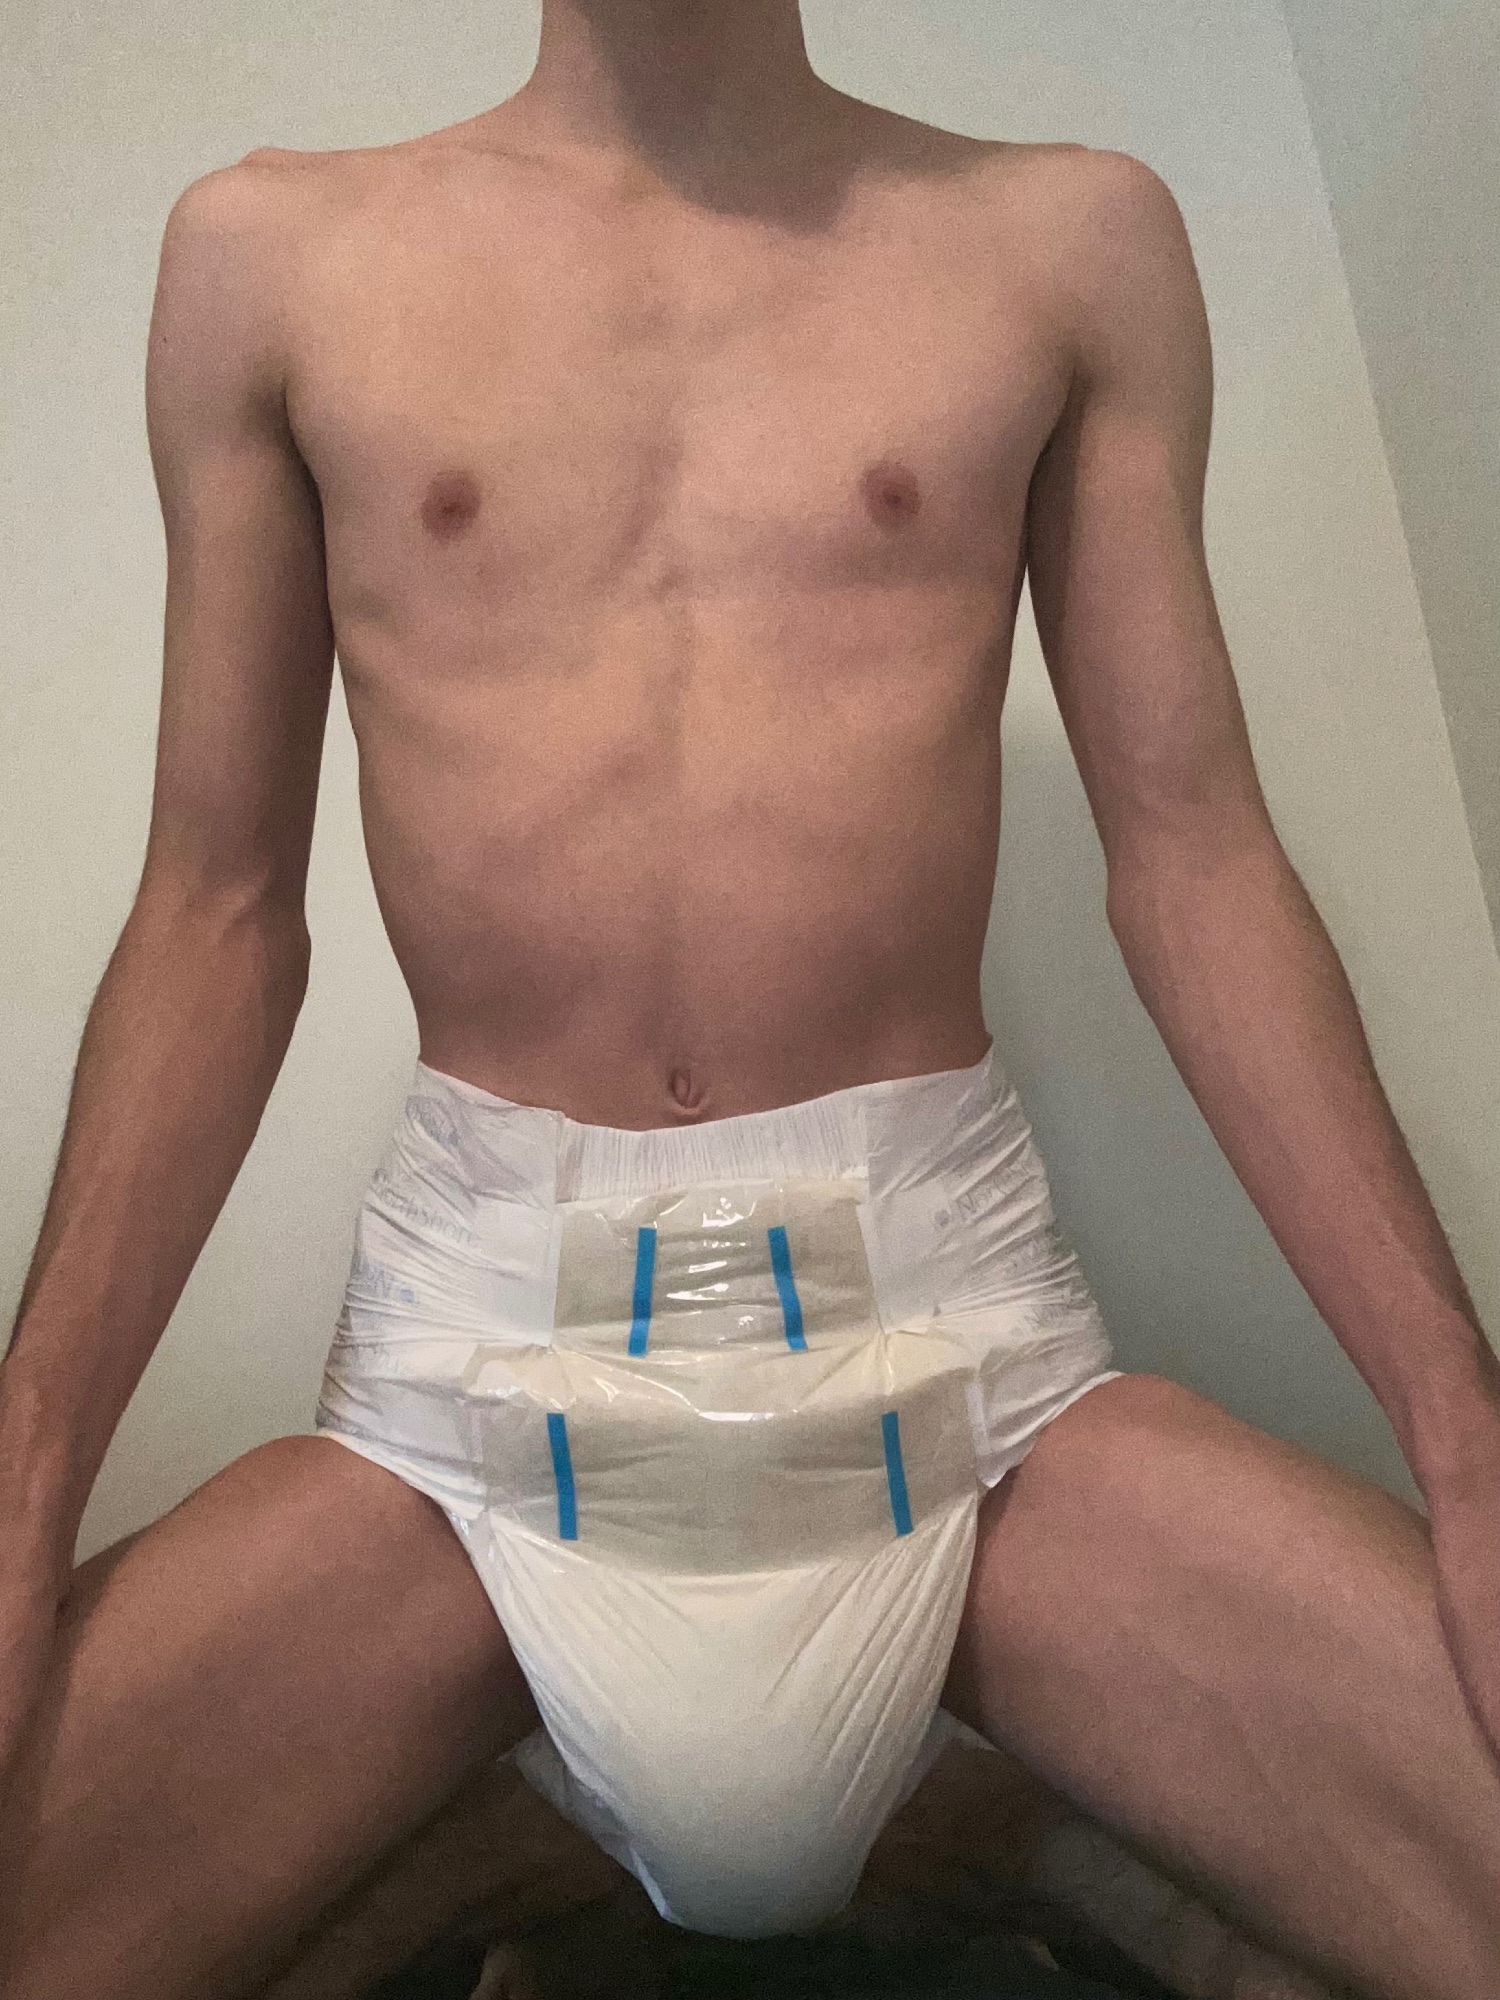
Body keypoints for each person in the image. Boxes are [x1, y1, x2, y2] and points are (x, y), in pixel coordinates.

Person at [2, 2, 1499, 1994]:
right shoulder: (269, 259)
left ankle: (936, 1812)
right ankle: (580, 1825)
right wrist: (25, 1470)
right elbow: (213, 912)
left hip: (967, 1381)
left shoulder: (1071, 243)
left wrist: (1464, 1432)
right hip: (473, 1407)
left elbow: (1195, 858)